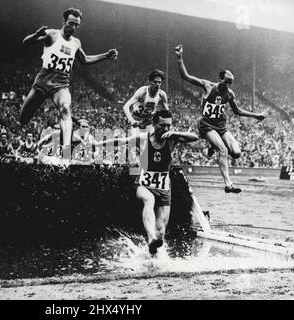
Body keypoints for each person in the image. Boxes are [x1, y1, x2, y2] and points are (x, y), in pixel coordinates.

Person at [20, 7, 118, 161]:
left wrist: (105, 55)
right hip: (43, 80)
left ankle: (66, 153)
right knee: (23, 119)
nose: (73, 28)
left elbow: (84, 60)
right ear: (64, 21)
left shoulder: (76, 42)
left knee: (65, 109)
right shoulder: (52, 34)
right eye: (71, 23)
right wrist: (36, 35)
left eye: (76, 25)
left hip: (61, 83)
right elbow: (25, 43)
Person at [96, 110, 198, 255]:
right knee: (148, 200)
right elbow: (121, 141)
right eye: (163, 126)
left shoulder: (171, 139)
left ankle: (151, 256)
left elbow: (195, 137)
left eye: (169, 126)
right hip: (144, 184)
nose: (166, 129)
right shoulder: (143, 139)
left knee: (161, 231)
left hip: (164, 188)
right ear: (154, 124)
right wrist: (98, 144)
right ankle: (150, 238)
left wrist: (175, 134)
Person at [174, 44, 266, 193]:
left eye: (231, 83)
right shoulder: (208, 86)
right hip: (207, 124)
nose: (228, 85)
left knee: (236, 153)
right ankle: (228, 184)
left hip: (221, 126)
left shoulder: (229, 94)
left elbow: (237, 111)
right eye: (226, 81)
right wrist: (179, 58)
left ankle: (213, 145)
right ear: (219, 79)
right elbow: (186, 77)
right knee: (222, 150)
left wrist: (255, 115)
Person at [123, 69, 169, 134]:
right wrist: (131, 120)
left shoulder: (162, 95)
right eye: (155, 82)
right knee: (135, 141)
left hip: (148, 121)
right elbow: (126, 106)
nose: (157, 84)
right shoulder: (143, 91)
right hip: (136, 119)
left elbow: (167, 112)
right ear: (150, 81)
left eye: (159, 82)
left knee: (151, 141)